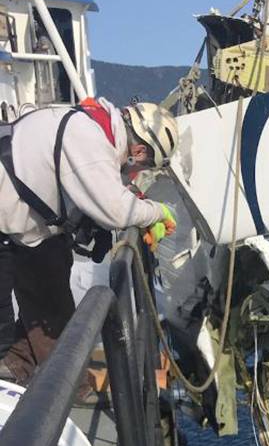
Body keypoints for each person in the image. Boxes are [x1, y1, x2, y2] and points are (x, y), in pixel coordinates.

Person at [0, 98, 179, 397]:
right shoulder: (87, 138)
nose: (135, 170)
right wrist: (158, 212)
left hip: (22, 226)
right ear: (138, 151)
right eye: (145, 165)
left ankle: (25, 367)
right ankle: (59, 395)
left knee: (49, 292)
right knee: (23, 317)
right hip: (9, 225)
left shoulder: (91, 128)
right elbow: (116, 210)